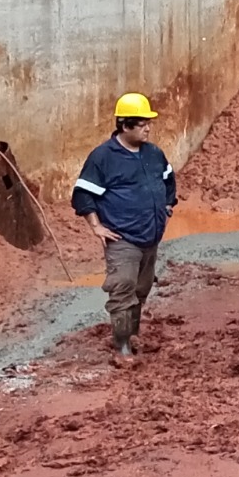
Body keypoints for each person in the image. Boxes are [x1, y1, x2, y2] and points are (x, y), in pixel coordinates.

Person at [71, 93, 177, 364]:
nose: (148, 127)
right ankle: (122, 348)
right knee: (123, 288)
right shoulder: (103, 157)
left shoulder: (153, 153)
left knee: (141, 288)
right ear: (125, 125)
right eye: (141, 123)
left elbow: (168, 179)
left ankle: (134, 333)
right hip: (123, 237)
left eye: (148, 122)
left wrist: (166, 206)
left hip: (151, 236)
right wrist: (96, 226)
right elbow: (83, 194)